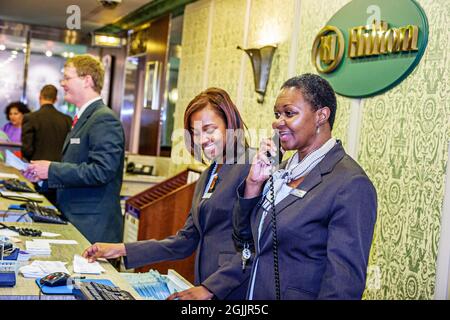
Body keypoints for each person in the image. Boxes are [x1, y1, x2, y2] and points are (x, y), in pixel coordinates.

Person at [83, 88, 253, 300]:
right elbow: (184, 241)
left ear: (230, 124)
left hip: (235, 289)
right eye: (196, 133)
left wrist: (209, 289)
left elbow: (255, 245)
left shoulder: (251, 166)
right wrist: (120, 249)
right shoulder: (208, 174)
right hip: (207, 283)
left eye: (210, 129)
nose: (202, 140)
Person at [232, 73, 377, 300]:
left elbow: (343, 285)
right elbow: (243, 238)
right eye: (277, 114)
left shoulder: (350, 183)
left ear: (321, 116)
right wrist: (253, 184)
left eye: (289, 113)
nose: (278, 122)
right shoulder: (281, 170)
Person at [24, 54, 125, 244]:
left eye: (67, 77)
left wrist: (52, 170)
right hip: (77, 222)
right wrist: (44, 179)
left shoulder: (103, 118)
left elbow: (102, 171)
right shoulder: (82, 118)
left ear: (87, 80)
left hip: (92, 228)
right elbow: (76, 169)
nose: (62, 84)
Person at [21, 84, 72, 162]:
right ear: (55, 99)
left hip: (37, 166)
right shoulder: (67, 120)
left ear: (40, 97)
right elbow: (69, 146)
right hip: (58, 167)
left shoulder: (30, 118)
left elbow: (27, 149)